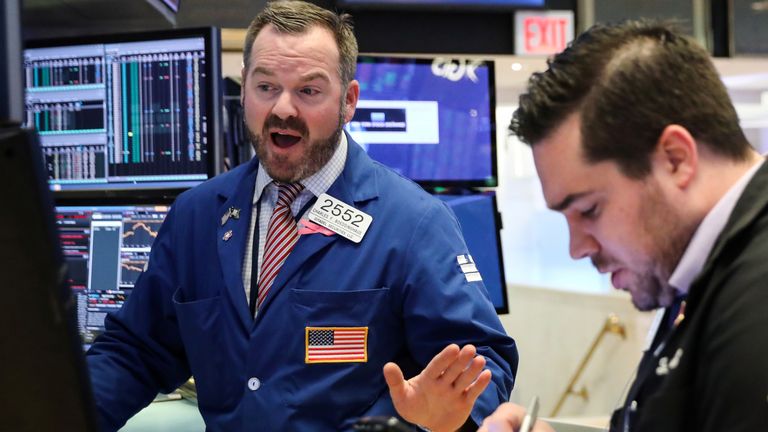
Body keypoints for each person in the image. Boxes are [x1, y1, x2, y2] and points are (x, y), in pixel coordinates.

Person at [86, 1, 518, 431]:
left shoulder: (413, 223)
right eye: (266, 86)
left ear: (348, 102)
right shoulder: (197, 216)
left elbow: (483, 362)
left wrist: (432, 417)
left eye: (309, 91)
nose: (283, 109)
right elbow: (136, 352)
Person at [479, 19, 768, 432]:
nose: (576, 248)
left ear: (675, 159)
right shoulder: (698, 269)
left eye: (590, 210)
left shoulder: (756, 296)